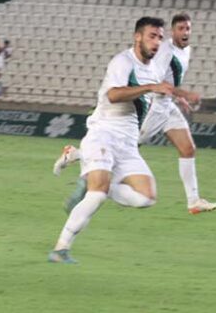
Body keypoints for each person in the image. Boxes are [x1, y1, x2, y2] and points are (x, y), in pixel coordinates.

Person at [47, 17, 200, 264]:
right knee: (96, 194)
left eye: (160, 37)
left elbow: (160, 88)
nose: (157, 42)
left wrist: (178, 97)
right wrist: (150, 88)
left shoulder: (151, 70)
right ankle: (61, 248)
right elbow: (115, 94)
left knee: (146, 197)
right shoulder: (123, 62)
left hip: (128, 143)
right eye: (152, 36)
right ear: (137, 36)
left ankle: (82, 162)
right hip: (103, 134)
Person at [53, 14, 216, 214]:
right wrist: (180, 93)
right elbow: (153, 80)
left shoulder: (186, 50)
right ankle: (81, 162)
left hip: (168, 105)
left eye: (188, 29)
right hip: (153, 106)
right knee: (126, 147)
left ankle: (193, 201)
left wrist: (177, 96)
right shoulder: (164, 52)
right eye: (181, 29)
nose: (185, 33)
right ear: (172, 32)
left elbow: (169, 81)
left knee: (188, 148)